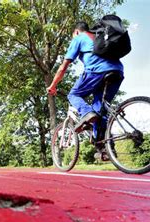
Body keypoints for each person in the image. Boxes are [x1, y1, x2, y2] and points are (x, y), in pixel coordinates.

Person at [47, 21, 124, 158]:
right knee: (100, 109)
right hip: (117, 71)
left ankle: (87, 113)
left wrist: (53, 85)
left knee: (73, 95)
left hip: (97, 71)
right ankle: (104, 147)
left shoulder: (79, 38)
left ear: (76, 32)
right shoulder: (100, 37)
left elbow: (63, 67)